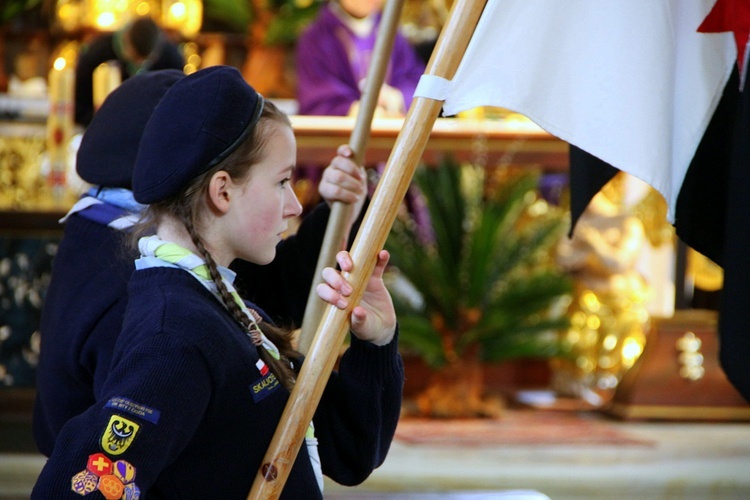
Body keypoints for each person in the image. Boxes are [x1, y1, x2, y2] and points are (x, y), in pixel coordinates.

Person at [32, 65, 402, 499]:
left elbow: (351, 446)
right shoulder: (176, 336)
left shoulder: (220, 304)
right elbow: (85, 487)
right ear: (222, 191)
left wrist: (376, 342)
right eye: (282, 182)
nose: (294, 205)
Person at [295, 0, 425, 117]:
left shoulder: (391, 31)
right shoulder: (317, 38)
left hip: (392, 131)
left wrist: (396, 98)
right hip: (342, 135)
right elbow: (317, 96)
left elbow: (413, 78)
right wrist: (354, 110)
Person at [74, 16, 185, 126]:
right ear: (126, 41)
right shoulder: (97, 53)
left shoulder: (171, 58)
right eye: (135, 58)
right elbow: (79, 104)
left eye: (147, 60)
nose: (140, 65)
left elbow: (176, 105)